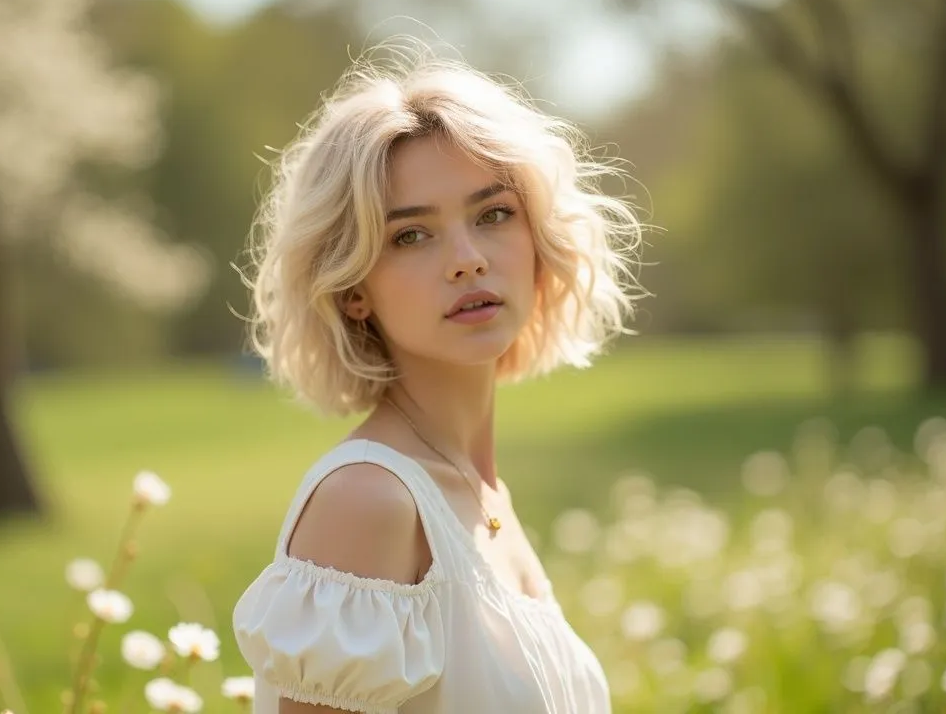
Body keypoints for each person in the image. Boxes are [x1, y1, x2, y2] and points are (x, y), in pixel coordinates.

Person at [231, 41, 644, 714]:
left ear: (538, 239)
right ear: (352, 289)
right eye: (410, 236)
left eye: (493, 215)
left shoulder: (483, 494)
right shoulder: (368, 502)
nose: (467, 260)